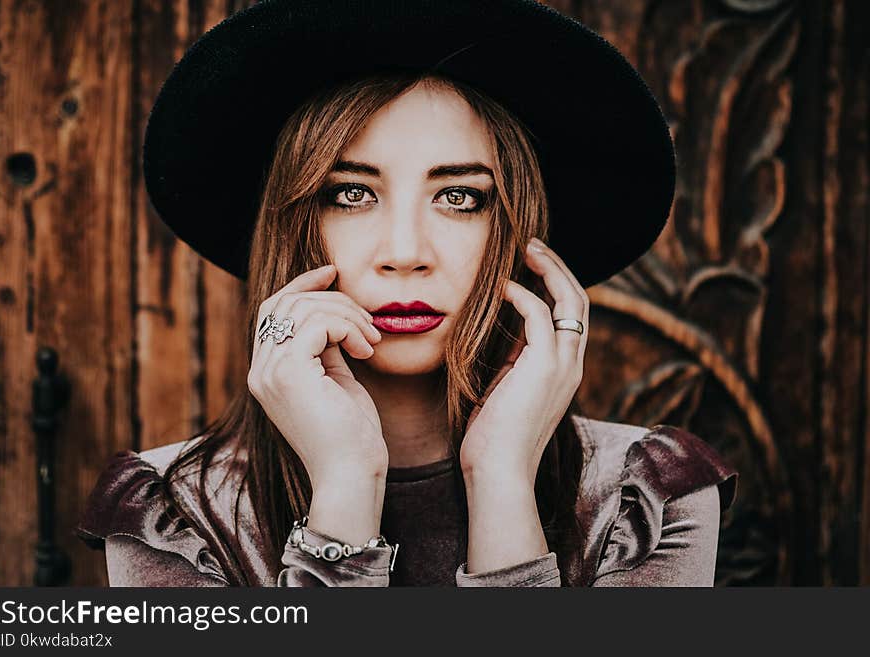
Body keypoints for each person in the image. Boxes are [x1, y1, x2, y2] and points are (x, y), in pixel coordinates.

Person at [76, 0, 738, 587]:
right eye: (351, 193)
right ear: (294, 221)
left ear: (517, 232)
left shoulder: (645, 501)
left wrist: (502, 479)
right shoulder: (176, 519)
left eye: (459, 197)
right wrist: (343, 490)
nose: (404, 253)